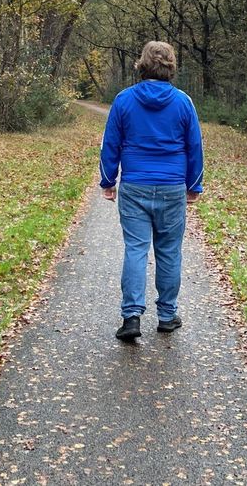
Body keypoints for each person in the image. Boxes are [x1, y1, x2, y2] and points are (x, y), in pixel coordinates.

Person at [99, 41, 204, 341]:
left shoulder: (124, 100)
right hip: (172, 187)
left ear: (142, 64)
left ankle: (131, 317)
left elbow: (111, 143)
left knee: (135, 249)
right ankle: (167, 316)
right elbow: (194, 146)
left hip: (135, 186)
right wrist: (193, 185)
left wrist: (108, 181)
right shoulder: (183, 102)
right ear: (171, 66)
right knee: (169, 252)